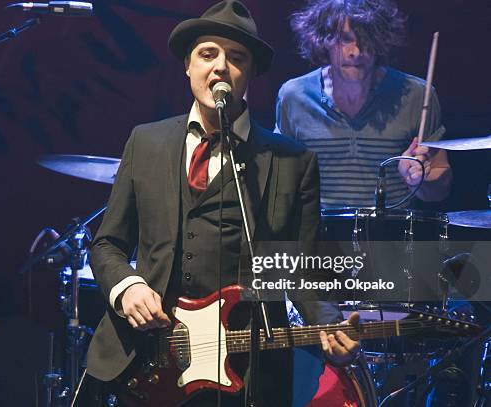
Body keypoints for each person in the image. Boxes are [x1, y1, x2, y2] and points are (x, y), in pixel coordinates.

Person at [86, 1, 359, 405]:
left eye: (236, 58)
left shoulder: (292, 161)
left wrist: (330, 325)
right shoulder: (145, 142)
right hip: (150, 359)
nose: (220, 67)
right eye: (207, 54)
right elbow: (107, 244)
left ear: (249, 74)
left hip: (247, 367)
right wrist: (127, 288)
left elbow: (302, 269)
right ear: (188, 65)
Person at [274, 0, 452, 208]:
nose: (356, 52)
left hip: (389, 235)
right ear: (323, 40)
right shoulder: (294, 96)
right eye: (345, 39)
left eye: (366, 40)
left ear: (380, 42)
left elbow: (441, 190)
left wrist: (419, 180)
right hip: (318, 235)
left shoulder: (417, 95)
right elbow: (280, 182)